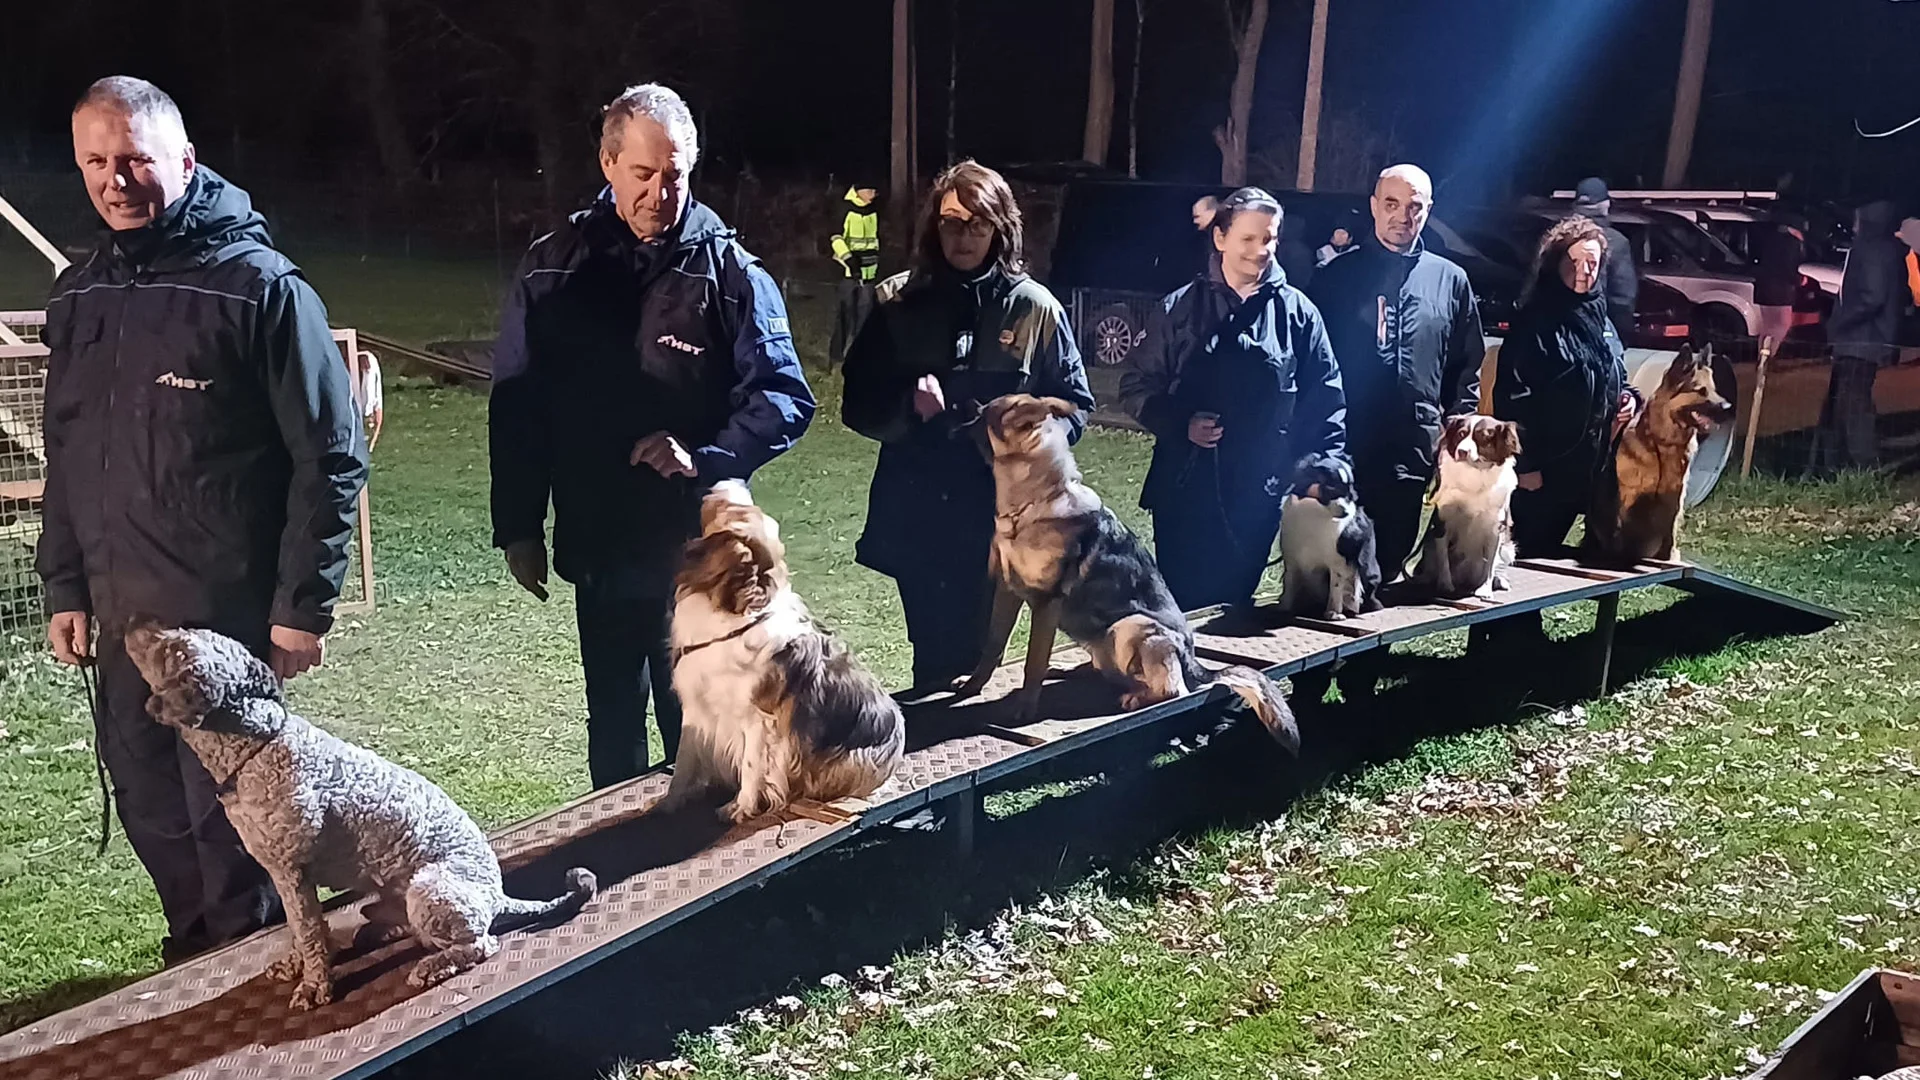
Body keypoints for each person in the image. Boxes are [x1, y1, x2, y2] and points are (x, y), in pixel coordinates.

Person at [38, 77, 369, 963]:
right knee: (151, 803)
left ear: (184, 160)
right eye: (96, 163)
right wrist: (65, 582)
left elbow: (330, 455)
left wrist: (302, 604)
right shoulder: (81, 298)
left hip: (225, 620)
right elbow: (67, 454)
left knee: (234, 817)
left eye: (136, 160)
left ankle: (263, 969)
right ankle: (195, 960)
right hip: (121, 621)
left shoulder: (260, 290)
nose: (116, 181)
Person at [490, 84, 815, 788]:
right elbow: (518, 405)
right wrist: (517, 523)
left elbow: (786, 396)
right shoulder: (553, 268)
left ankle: (702, 867)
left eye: (676, 176)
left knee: (699, 722)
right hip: (597, 537)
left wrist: (702, 458)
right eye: (643, 174)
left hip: (695, 548)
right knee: (611, 716)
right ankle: (613, 870)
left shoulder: (730, 273)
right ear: (608, 163)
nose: (660, 193)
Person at [843, 161, 1094, 689]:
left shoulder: (1035, 309)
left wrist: (1033, 440)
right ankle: (932, 764)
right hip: (920, 511)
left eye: (978, 223)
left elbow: (1076, 404)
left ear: (1001, 227)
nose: (963, 236)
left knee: (982, 658)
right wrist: (906, 405)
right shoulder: (897, 302)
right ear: (933, 226)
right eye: (952, 222)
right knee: (933, 657)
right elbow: (856, 403)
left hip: (1003, 513)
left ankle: (986, 757)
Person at [1119, 186, 1348, 611]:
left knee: (1234, 612)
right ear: (1220, 238)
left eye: (1270, 238)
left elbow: (1327, 399)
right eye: (1249, 238)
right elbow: (1135, 386)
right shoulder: (1178, 308)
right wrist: (1181, 423)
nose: (1261, 250)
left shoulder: (1299, 314)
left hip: (1259, 495)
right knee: (1179, 610)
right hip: (1184, 489)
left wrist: (1325, 470)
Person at [1307, 164, 1483, 583]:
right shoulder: (1336, 277)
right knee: (1336, 553)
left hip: (1413, 443)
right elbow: (1311, 360)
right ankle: (1330, 637)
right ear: (1373, 206)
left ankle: (1374, 643)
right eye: (1391, 203)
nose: (1402, 216)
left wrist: (1457, 428)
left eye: (1414, 207)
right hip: (1348, 440)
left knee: (1391, 552)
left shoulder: (1450, 280)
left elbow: (1466, 363)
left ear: (1428, 211)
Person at [1492, 216, 1638, 558]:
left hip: (1589, 473)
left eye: (1592, 262)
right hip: (1543, 474)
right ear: (1555, 263)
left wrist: (1629, 397)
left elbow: (1614, 371)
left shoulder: (1600, 318)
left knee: (1568, 564)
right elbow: (1512, 398)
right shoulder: (1536, 320)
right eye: (1573, 261)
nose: (1583, 271)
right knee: (1522, 559)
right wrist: (1525, 466)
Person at [1811, 199, 1907, 475]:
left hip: (1860, 340)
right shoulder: (1888, 249)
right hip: (1865, 339)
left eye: (1857, 219)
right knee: (1847, 400)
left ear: (1867, 222)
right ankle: (1838, 461)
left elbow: (1872, 297)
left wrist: (1840, 323)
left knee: (1854, 402)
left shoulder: (1872, 249)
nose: (1853, 224)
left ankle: (1864, 464)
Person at [1571, 177, 1638, 336]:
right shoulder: (1616, 242)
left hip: (1557, 332)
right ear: (1605, 205)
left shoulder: (1556, 237)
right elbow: (1622, 299)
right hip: (1598, 333)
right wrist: (1620, 337)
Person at [829, 183, 881, 364]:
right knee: (845, 316)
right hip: (848, 273)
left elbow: (875, 240)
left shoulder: (874, 211)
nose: (873, 194)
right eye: (871, 190)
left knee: (865, 319)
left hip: (870, 273)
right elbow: (835, 237)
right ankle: (836, 358)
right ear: (859, 191)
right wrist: (848, 258)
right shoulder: (845, 209)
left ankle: (860, 357)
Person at [1752, 214, 1806, 355]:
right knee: (1783, 324)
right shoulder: (1792, 242)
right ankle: (1770, 356)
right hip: (1781, 289)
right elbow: (1789, 266)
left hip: (1763, 286)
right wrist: (1799, 280)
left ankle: (1761, 355)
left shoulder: (1768, 238)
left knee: (1767, 326)